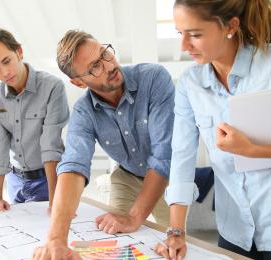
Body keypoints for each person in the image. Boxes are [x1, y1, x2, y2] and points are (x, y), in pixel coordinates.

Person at [156, 0, 271, 259]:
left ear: (231, 26)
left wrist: (256, 150)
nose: (184, 46)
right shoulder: (190, 84)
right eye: (180, 33)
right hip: (235, 232)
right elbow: (181, 158)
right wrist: (175, 230)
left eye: (195, 34)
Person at [33, 30, 175, 259]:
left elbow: (163, 155)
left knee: (177, 244)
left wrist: (134, 217)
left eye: (105, 53)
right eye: (94, 67)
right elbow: (73, 165)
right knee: (117, 241)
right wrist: (56, 240)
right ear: (78, 82)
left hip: (167, 177)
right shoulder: (83, 111)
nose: (109, 66)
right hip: (127, 176)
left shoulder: (154, 78)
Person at [0, 29, 69, 212]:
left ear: (19, 52)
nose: (4, 73)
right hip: (14, 180)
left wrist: (55, 200)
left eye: (6, 61)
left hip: (48, 179)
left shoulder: (52, 87)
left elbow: (51, 146)